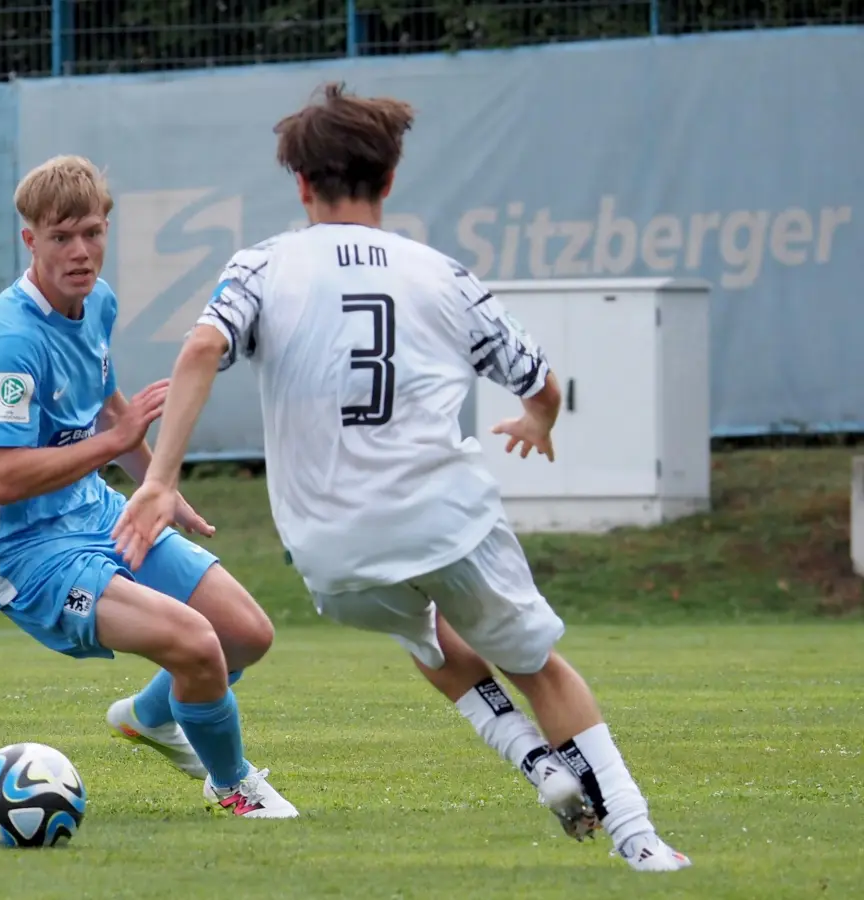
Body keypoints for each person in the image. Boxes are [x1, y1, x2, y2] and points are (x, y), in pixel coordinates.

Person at [111, 83, 690, 870]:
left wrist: (160, 480)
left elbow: (201, 350)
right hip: (446, 517)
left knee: (425, 634)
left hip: (331, 550)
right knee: (537, 665)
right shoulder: (443, 275)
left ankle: (534, 761)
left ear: (302, 185)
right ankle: (638, 837)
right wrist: (540, 424)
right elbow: (543, 387)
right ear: (389, 182)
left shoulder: (262, 265)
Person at [0, 154, 296, 818]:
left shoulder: (96, 303)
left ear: (107, 228)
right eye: (61, 238)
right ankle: (234, 788)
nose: (80, 252)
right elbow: (2, 476)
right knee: (196, 645)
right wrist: (113, 446)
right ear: (31, 241)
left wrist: (156, 487)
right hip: (25, 553)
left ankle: (147, 716)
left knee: (245, 634)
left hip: (97, 512)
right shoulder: (10, 344)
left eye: (91, 232)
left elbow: (108, 404)